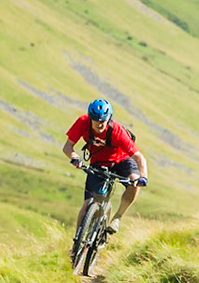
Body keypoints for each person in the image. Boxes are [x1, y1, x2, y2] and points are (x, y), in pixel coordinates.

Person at [61, 97, 148, 242]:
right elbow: (67, 147)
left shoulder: (117, 131)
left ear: (109, 118)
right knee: (88, 203)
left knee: (134, 182)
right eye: (96, 120)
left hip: (122, 160)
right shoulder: (82, 122)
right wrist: (75, 158)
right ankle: (77, 242)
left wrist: (143, 177)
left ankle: (118, 217)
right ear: (90, 117)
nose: (100, 124)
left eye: (103, 120)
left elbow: (139, 157)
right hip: (99, 162)